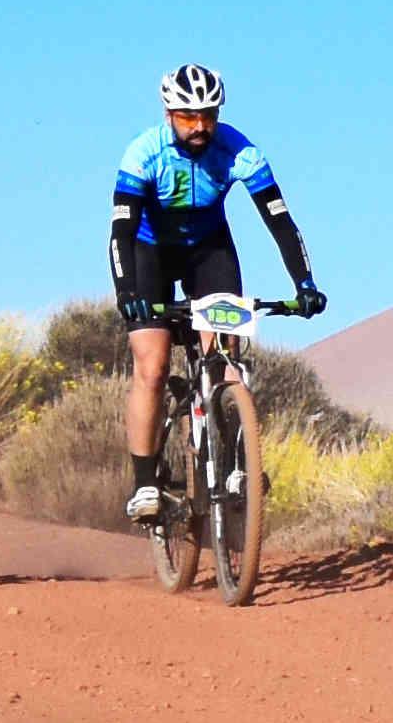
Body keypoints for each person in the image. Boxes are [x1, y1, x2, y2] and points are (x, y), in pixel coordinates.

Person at [113, 64, 323, 525]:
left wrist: (303, 283)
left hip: (208, 251)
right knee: (152, 365)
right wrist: (128, 291)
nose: (200, 126)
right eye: (189, 116)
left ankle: (228, 461)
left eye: (208, 114)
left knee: (225, 360)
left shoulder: (238, 149)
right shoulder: (142, 153)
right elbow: (120, 233)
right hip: (149, 252)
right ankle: (145, 482)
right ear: (169, 112)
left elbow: (281, 223)